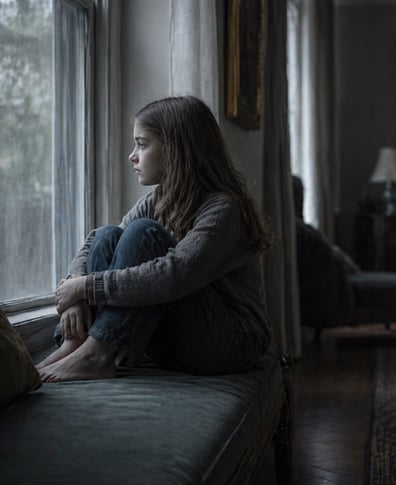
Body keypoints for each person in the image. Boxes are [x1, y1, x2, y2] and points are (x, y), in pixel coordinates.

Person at [36, 95, 272, 383]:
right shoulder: (158, 200)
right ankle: (78, 342)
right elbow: (94, 242)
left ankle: (96, 355)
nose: (132, 155)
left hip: (231, 341)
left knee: (141, 234)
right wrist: (75, 294)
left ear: (176, 150)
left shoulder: (224, 209)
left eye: (142, 144)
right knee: (109, 236)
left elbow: (174, 275)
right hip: (180, 335)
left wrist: (86, 287)